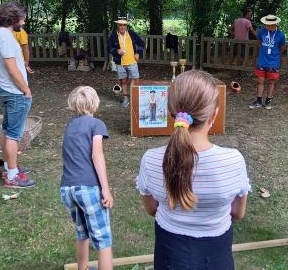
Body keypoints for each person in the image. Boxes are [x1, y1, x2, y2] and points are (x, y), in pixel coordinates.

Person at [137, 70, 250, 270]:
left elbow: (151, 209)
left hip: (168, 252)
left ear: (173, 114)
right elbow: (238, 213)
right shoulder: (233, 161)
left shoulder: (151, 160)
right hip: (217, 254)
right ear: (214, 114)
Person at [60, 86, 114, 270]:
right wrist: (105, 189)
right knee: (103, 238)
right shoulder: (96, 124)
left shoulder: (70, 125)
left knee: (82, 233)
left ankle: (82, 268)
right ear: (95, 103)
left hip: (67, 189)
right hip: (88, 189)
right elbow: (97, 156)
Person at [0, 1, 35, 188]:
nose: (23, 23)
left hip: (5, 89)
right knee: (13, 134)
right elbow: (12, 69)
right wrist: (25, 89)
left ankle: (9, 166)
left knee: (7, 129)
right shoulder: (5, 37)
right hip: (15, 92)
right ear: (13, 17)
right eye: (22, 19)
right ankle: (12, 177)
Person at [249, 14, 286, 110]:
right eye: (266, 24)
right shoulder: (261, 32)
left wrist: (274, 53)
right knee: (260, 80)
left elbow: (282, 48)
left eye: (269, 25)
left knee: (271, 82)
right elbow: (259, 42)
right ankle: (259, 100)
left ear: (274, 24)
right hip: (262, 60)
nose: (267, 26)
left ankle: (268, 101)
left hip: (273, 61)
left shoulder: (280, 35)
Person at [107, 17, 144, 108]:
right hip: (120, 62)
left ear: (126, 26)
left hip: (132, 61)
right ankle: (126, 99)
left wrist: (138, 53)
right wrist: (116, 50)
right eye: (120, 25)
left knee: (135, 80)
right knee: (123, 81)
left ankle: (135, 99)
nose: (122, 27)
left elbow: (141, 43)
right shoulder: (114, 35)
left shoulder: (131, 34)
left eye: (124, 25)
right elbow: (109, 47)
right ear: (117, 26)